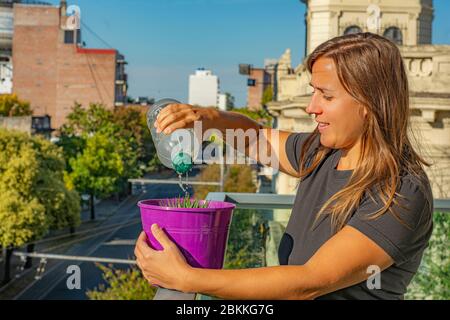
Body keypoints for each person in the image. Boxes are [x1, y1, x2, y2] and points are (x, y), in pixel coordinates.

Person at [134, 32, 434, 300]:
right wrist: (208, 118)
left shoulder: (401, 191)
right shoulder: (322, 152)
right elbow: (254, 139)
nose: (311, 106)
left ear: (370, 103)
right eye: (313, 91)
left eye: (326, 96)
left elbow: (310, 283)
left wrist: (185, 278)